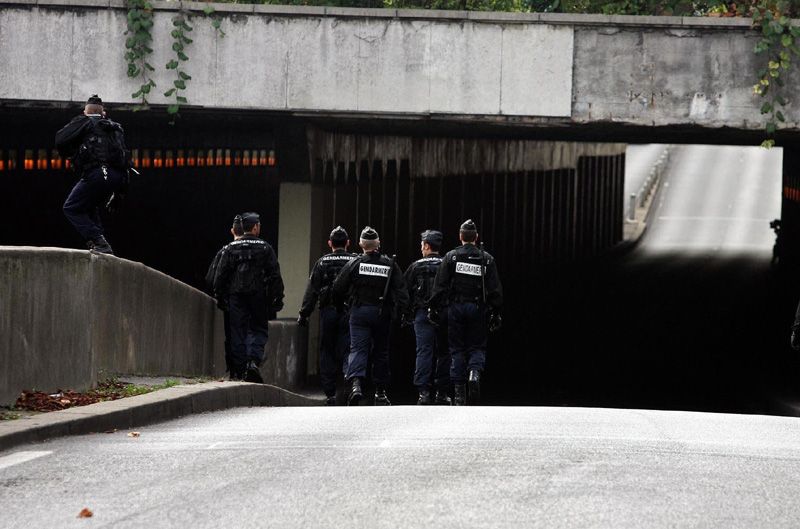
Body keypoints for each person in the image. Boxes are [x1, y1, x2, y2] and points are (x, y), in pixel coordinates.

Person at [429, 220, 503, 405]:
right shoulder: (486, 259)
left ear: (460, 236)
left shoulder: (451, 257)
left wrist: (433, 307)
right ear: (476, 238)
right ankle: (474, 373)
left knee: (457, 349)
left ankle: (459, 393)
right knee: (477, 347)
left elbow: (440, 286)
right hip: (477, 309)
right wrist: (496, 311)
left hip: (456, 308)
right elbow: (495, 289)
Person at [332, 226, 408, 406]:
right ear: (378, 244)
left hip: (359, 313)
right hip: (382, 313)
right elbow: (402, 291)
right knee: (380, 352)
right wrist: (404, 313)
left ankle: (356, 386)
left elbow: (337, 287)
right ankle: (380, 393)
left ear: (360, 244)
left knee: (358, 349)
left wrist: (340, 307)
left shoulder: (355, 264)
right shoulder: (389, 264)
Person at [213, 212, 284, 382]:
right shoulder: (265, 247)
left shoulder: (231, 248)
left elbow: (220, 276)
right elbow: (275, 275)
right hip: (258, 295)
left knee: (237, 331)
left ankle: (240, 370)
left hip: (236, 296)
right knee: (258, 328)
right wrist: (277, 298)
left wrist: (220, 296)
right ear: (255, 227)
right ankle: (252, 362)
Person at [55, 94, 131, 255]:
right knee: (89, 206)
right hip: (117, 177)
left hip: (97, 174)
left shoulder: (85, 122)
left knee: (71, 208)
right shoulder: (115, 128)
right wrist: (120, 193)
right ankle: (100, 243)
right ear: (104, 113)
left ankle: (99, 241)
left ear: (85, 112)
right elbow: (125, 161)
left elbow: (60, 140)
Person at [297, 226, 358, 405]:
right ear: (348, 243)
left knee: (327, 351)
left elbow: (312, 291)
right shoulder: (355, 261)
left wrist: (304, 314)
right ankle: (351, 384)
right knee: (350, 348)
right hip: (349, 311)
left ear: (330, 243)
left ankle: (330, 393)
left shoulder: (322, 262)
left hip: (328, 311)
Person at [403, 229, 451, 405]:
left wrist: (406, 313)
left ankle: (423, 393)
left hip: (422, 314)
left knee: (424, 351)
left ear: (426, 245)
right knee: (444, 352)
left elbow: (404, 291)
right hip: (443, 313)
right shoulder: (447, 264)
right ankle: (441, 393)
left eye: (422, 245)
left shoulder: (415, 266)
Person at [206, 215, 245, 377]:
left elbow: (212, 278)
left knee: (232, 335)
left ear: (232, 231)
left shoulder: (226, 250)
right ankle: (248, 367)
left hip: (231, 301)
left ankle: (235, 370)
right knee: (248, 333)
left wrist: (221, 298)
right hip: (252, 301)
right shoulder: (261, 249)